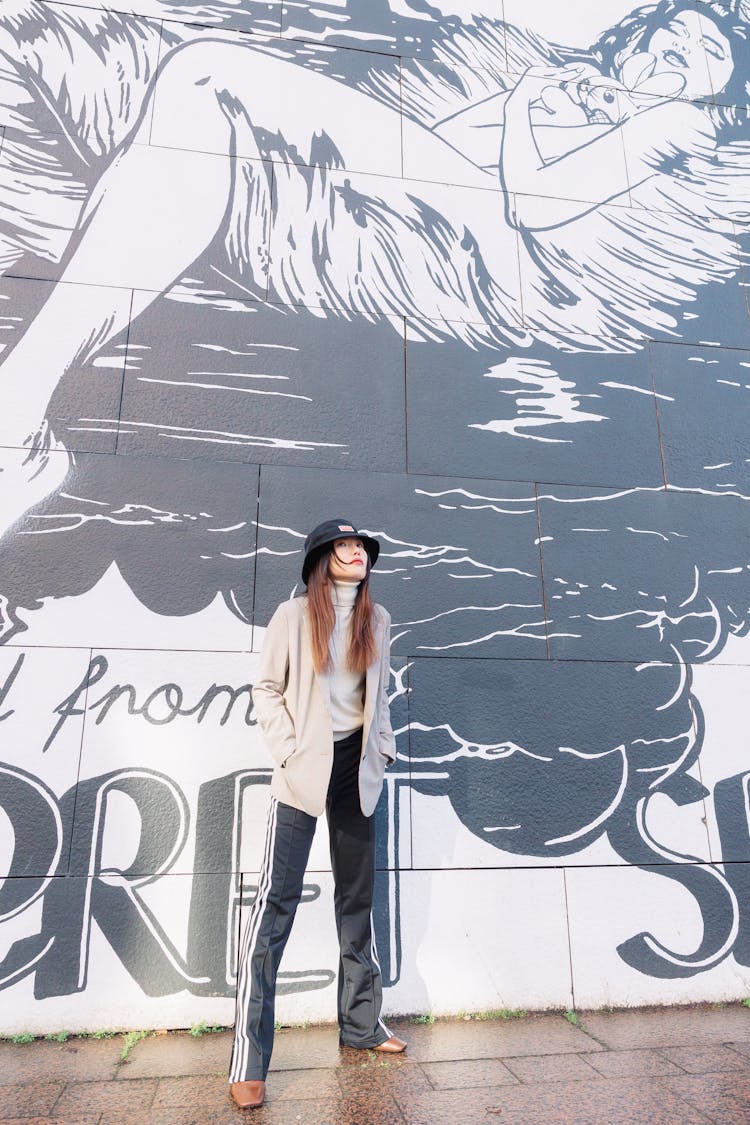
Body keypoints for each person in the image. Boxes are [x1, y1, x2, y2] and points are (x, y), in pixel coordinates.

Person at [1, 0, 748, 536]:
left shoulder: (672, 124)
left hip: (493, 247)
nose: (667, 56)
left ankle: (22, 404)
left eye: (697, 57)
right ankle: (24, 399)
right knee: (199, 88)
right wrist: (548, 99)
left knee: (206, 74)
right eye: (666, 36)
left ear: (720, 91)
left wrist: (527, 108)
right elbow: (444, 148)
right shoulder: (583, 79)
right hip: (444, 208)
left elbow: (530, 202)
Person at [228, 519, 405, 1110]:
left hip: (357, 769)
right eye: (345, 544)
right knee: (275, 906)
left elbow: (377, 699)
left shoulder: (377, 621)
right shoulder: (292, 616)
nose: (357, 552)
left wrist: (381, 744)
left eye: (363, 547)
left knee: (357, 901)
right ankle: (249, 1060)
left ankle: (361, 1025)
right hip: (304, 773)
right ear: (320, 558)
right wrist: (287, 750)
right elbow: (265, 690)